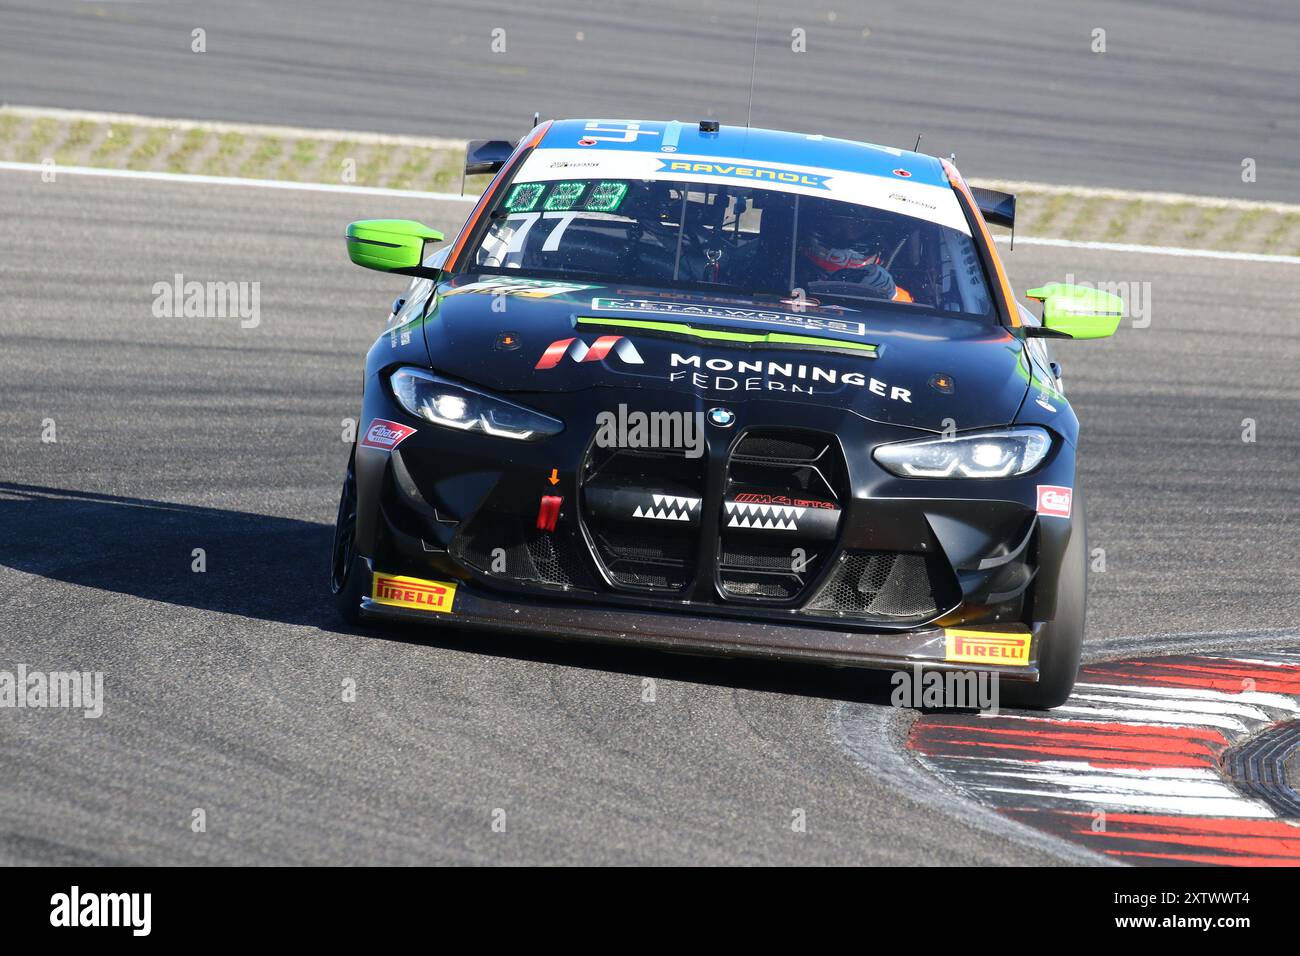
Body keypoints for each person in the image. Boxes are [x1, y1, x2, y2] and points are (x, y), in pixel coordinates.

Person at [794, 203, 913, 302]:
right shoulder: (786, 276)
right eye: (837, 224)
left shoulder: (895, 296)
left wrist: (886, 297)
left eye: (857, 225)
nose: (848, 231)